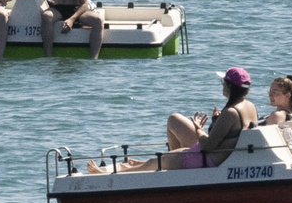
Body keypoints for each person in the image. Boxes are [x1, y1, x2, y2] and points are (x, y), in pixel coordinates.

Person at [97, 68, 259, 173]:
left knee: (159, 160)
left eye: (224, 82)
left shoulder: (230, 112)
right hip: (213, 155)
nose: (222, 85)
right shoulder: (249, 106)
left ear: (230, 87)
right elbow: (229, 134)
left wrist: (198, 129)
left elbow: (208, 145)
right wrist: (217, 121)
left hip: (208, 159)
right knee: (159, 159)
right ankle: (137, 165)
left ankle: (108, 175)